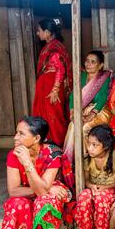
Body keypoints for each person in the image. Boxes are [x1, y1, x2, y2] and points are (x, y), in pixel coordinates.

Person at [0, 116, 73, 229]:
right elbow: (13, 191)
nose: (15, 137)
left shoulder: (53, 154)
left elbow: (43, 194)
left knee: (44, 201)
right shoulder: (14, 155)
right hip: (34, 192)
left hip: (47, 198)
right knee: (16, 203)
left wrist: (28, 164)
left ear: (36, 138)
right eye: (16, 133)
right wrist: (46, 189)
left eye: (21, 133)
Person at [74, 125, 115, 229]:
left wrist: (103, 188)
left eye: (94, 145)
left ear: (106, 146)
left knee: (101, 199)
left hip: (110, 191)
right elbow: (87, 180)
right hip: (95, 189)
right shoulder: (87, 159)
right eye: (88, 144)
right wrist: (92, 187)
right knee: (84, 197)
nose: (89, 148)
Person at [63, 51, 112, 163]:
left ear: (100, 65)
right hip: (82, 110)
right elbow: (73, 95)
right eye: (87, 61)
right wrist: (72, 111)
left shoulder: (104, 77)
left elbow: (103, 97)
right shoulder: (82, 76)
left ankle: (87, 159)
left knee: (84, 128)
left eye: (93, 62)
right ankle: (72, 161)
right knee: (73, 125)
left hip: (99, 111)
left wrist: (92, 114)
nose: (88, 64)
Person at [32, 19, 72, 147]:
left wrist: (55, 90)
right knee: (46, 116)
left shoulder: (54, 47)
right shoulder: (51, 45)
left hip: (51, 88)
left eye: (39, 31)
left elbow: (60, 69)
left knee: (54, 117)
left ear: (47, 32)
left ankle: (56, 146)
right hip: (46, 86)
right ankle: (47, 145)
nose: (38, 33)